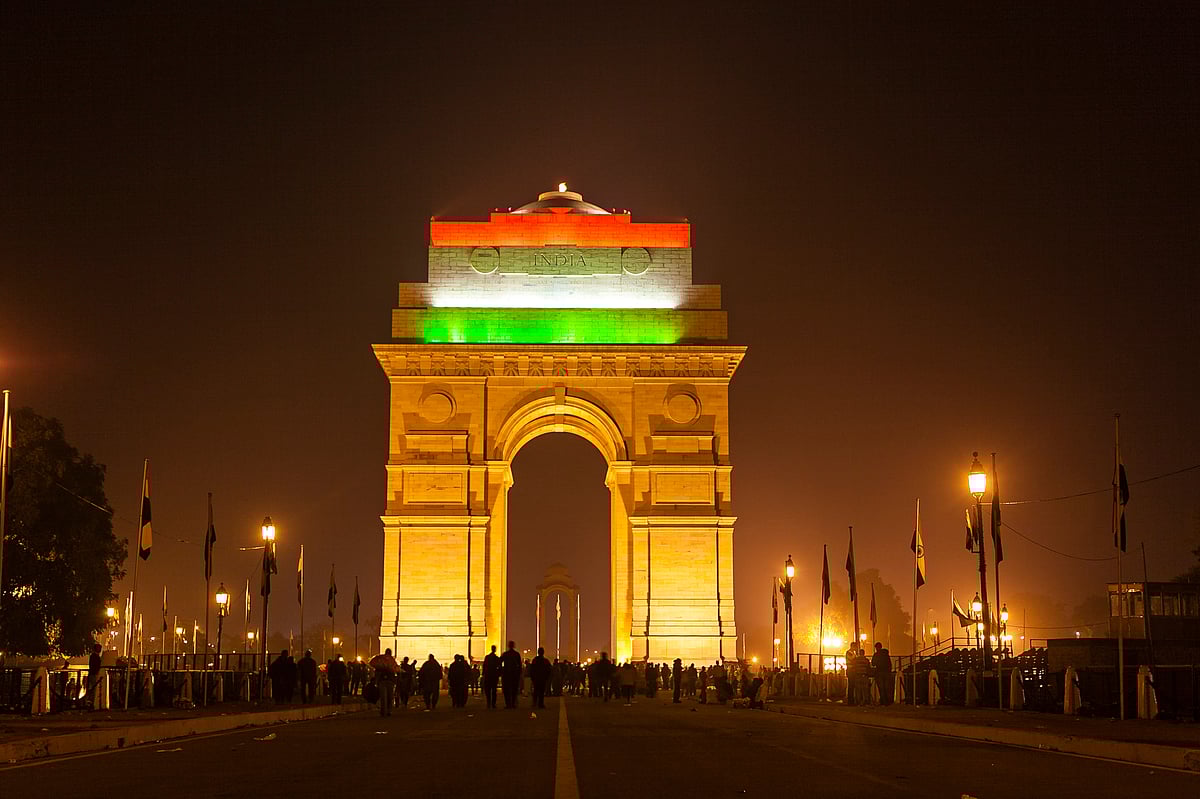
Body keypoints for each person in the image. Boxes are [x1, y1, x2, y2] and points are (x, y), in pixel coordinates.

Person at [369, 648, 398, 717]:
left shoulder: (380, 660)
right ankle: (388, 710)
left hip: (382, 680)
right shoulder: (392, 660)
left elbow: (371, 663)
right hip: (390, 680)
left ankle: (383, 711)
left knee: (383, 697)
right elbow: (396, 669)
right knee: (389, 697)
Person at [500, 641, 523, 709]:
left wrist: (502, 671)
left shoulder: (505, 654)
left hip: (507, 674)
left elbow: (499, 662)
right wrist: (519, 673)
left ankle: (508, 704)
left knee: (507, 690)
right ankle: (513, 703)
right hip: (514, 674)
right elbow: (519, 665)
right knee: (514, 690)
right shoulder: (517, 654)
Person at [482, 645, 501, 709]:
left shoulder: (487, 657)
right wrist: (498, 674)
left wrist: (483, 674)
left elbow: (484, 666)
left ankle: (488, 703)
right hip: (494, 676)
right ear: (495, 650)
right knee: (494, 691)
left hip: (488, 675)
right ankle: (493, 704)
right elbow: (499, 667)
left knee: (488, 690)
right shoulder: (497, 658)